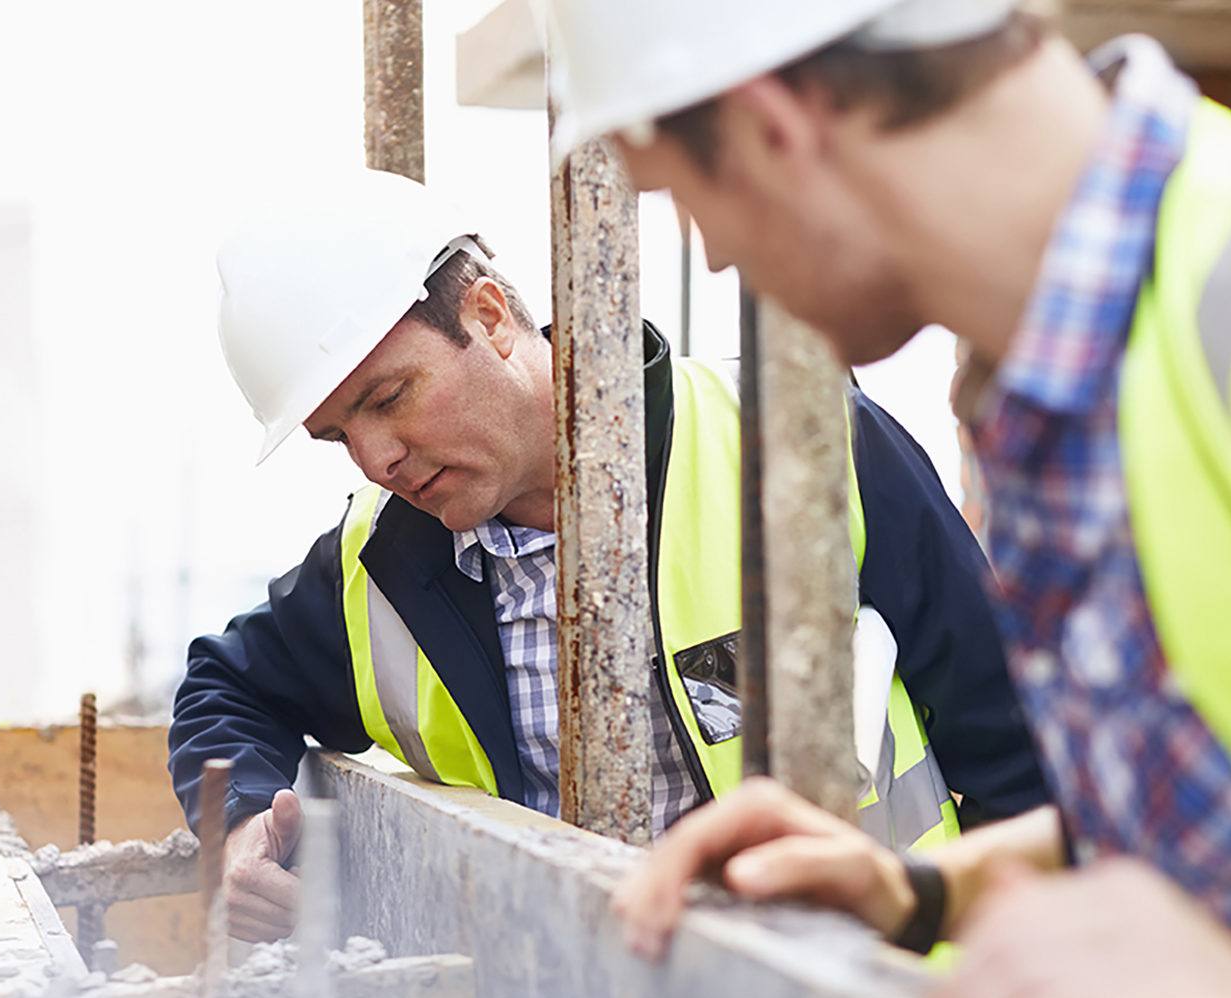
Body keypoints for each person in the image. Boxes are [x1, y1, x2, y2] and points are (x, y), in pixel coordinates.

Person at [540, 0, 1231, 998]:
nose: (711, 257)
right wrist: (921, 890)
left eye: (685, 199)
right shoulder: (1064, 377)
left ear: (772, 130)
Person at [167, 169, 1048, 943]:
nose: (376, 459)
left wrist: (1018, 953)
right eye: (337, 437)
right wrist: (242, 820)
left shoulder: (801, 444)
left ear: (488, 314)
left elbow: (1011, 738)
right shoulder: (375, 565)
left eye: (389, 398)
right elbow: (226, 687)